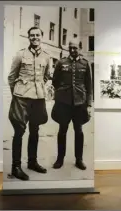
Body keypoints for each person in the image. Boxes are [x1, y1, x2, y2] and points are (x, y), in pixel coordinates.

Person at [7, 26, 51, 181]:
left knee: (35, 130)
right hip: (22, 98)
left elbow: (46, 76)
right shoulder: (20, 55)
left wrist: (37, 88)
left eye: (37, 35)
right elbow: (11, 77)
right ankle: (16, 167)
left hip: (38, 99)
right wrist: (18, 92)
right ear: (28, 38)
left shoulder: (46, 56)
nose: (35, 37)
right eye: (32, 35)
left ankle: (32, 162)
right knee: (19, 131)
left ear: (41, 36)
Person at [51, 38, 92, 170]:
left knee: (78, 131)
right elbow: (55, 81)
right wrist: (62, 93)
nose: (73, 50)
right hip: (64, 103)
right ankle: (60, 159)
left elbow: (89, 85)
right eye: (71, 48)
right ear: (68, 48)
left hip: (80, 102)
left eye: (75, 48)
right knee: (62, 131)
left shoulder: (85, 64)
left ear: (80, 49)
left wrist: (89, 104)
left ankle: (79, 159)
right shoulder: (61, 62)